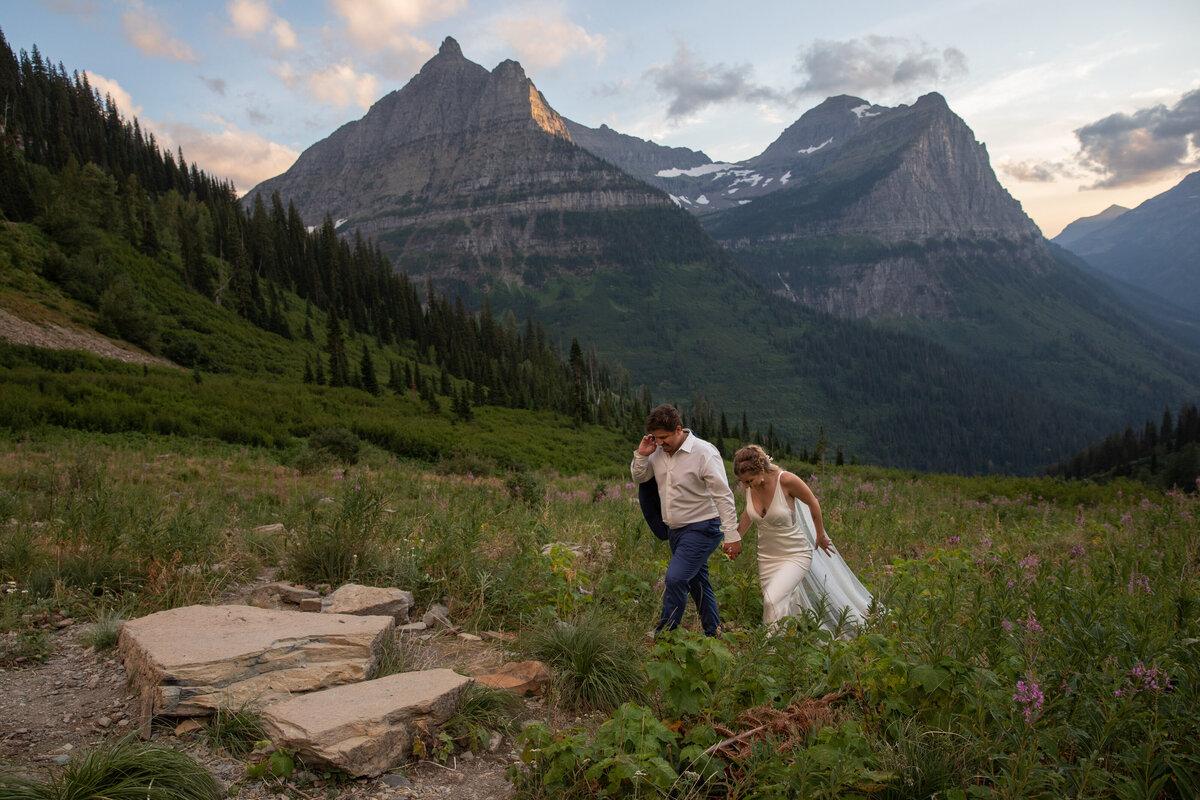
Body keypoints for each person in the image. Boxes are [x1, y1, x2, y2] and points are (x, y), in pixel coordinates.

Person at [726, 444, 874, 632]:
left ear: (761, 469)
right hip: (766, 556)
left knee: (771, 600)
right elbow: (748, 515)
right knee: (779, 603)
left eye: (749, 481)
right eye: (743, 482)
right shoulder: (749, 486)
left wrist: (820, 535)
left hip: (795, 554)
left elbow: (813, 502)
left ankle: (770, 651)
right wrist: (735, 537)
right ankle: (790, 642)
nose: (746, 486)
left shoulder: (786, 480)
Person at [632, 404, 739, 637]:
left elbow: (723, 494)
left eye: (664, 437)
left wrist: (732, 535)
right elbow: (640, 477)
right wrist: (642, 454)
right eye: (656, 438)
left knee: (676, 578)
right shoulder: (657, 452)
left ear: (678, 429)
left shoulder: (704, 452)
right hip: (675, 530)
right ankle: (714, 632)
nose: (660, 443)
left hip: (703, 526)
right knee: (697, 582)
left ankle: (665, 635)